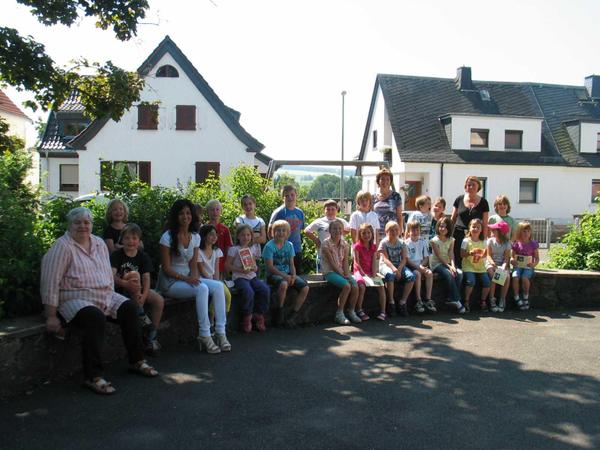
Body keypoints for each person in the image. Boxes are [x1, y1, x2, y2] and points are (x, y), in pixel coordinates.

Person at [41, 207, 158, 396]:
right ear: (69, 225)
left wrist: (114, 294)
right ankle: (93, 376)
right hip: (75, 298)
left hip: (104, 294)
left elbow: (106, 272)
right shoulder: (62, 247)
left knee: (129, 308)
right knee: (94, 317)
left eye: (86, 222)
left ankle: (137, 361)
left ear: (92, 224)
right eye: (77, 222)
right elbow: (50, 281)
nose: (83, 226)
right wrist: (51, 315)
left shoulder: (98, 243)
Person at [158, 199, 229, 354]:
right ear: (175, 216)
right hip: (170, 282)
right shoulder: (167, 237)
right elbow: (166, 268)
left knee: (218, 286)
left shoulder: (195, 237)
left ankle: (220, 332)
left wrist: (194, 278)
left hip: (187, 278)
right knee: (202, 289)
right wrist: (189, 280)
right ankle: (204, 334)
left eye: (188, 213)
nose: (185, 216)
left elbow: (193, 265)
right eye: (181, 213)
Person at [110, 223, 164, 355]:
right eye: (127, 238)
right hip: (120, 290)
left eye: (134, 238)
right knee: (134, 275)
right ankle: (142, 317)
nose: (131, 241)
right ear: (122, 240)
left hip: (138, 292)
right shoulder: (116, 255)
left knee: (159, 300)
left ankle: (151, 338)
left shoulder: (143, 256)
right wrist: (125, 283)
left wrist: (144, 296)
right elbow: (111, 276)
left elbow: (146, 279)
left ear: (139, 241)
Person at [263, 220, 309, 328]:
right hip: (273, 275)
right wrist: (285, 276)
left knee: (305, 288)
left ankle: (294, 314)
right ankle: (280, 311)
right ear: (273, 232)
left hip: (287, 273)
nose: (281, 233)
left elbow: (291, 264)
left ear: (288, 233)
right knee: (284, 284)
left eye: (284, 230)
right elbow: (270, 267)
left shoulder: (289, 245)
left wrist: (293, 275)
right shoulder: (269, 246)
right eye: (278, 230)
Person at [225, 224, 271, 332]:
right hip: (239, 277)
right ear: (238, 236)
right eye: (243, 235)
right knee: (248, 291)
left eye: (248, 235)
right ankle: (247, 316)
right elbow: (227, 265)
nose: (245, 237)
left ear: (251, 236)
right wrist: (240, 270)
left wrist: (254, 267)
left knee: (265, 289)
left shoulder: (252, 248)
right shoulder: (233, 249)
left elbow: (254, 264)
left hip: (252, 277)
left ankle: (259, 314)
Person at [321, 219, 360, 325]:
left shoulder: (345, 244)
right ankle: (339, 313)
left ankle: (351, 311)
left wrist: (346, 274)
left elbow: (345, 261)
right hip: (329, 272)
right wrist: (342, 275)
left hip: (341, 272)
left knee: (355, 286)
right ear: (330, 230)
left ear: (342, 230)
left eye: (339, 228)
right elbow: (332, 263)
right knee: (346, 286)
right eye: (334, 228)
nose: (337, 231)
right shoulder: (325, 244)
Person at [198, 224, 232, 332]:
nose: (214, 237)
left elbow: (216, 269)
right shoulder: (198, 251)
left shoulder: (217, 251)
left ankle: (221, 319)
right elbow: (201, 270)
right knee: (215, 290)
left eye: (215, 235)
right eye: (211, 234)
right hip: (202, 279)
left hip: (213, 279)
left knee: (227, 295)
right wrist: (213, 282)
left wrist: (217, 281)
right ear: (204, 236)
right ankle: (211, 320)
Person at [378, 221, 415, 317]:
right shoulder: (383, 243)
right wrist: (394, 269)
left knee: (411, 277)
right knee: (390, 276)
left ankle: (403, 302)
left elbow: (404, 259)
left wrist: (399, 269)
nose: (394, 232)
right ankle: (391, 302)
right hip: (386, 265)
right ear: (386, 231)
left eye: (396, 230)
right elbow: (385, 259)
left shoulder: (402, 243)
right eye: (391, 230)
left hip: (399, 265)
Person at [451, 176, 490, 267]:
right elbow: (453, 219)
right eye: (469, 185)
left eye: (473, 185)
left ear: (478, 187)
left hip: (475, 237)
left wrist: (484, 240)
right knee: (458, 261)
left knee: (472, 261)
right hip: (458, 235)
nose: (471, 187)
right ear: (465, 187)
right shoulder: (459, 199)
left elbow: (485, 223)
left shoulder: (484, 202)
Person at [430, 217, 465, 313]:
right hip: (437, 264)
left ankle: (451, 298)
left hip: (448, 263)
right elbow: (439, 256)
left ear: (449, 228)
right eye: (441, 226)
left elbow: (451, 253)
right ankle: (457, 300)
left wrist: (453, 265)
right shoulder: (434, 241)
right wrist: (449, 267)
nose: (442, 229)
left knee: (459, 273)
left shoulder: (451, 240)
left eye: (445, 227)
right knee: (448, 273)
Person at [352, 223, 386, 321]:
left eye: (368, 233)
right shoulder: (357, 246)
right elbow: (356, 262)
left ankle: (383, 311)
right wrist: (363, 273)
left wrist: (374, 274)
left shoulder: (374, 246)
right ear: (360, 234)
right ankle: (359, 310)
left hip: (370, 271)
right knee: (362, 286)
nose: (366, 235)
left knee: (381, 285)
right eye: (364, 233)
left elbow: (374, 262)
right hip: (359, 271)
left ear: (372, 234)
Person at [268, 185, 305, 273]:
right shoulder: (278, 212)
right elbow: (270, 231)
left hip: (296, 249)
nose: (290, 198)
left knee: (296, 275)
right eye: (287, 196)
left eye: (292, 195)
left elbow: (300, 230)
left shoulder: (300, 212)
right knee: (283, 276)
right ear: (282, 198)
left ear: (296, 195)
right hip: (282, 251)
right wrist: (276, 247)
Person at [304, 199, 350, 271]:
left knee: (339, 273)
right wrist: (316, 240)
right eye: (328, 209)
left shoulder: (341, 221)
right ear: (324, 210)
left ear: (336, 210)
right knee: (323, 274)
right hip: (323, 254)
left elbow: (348, 229)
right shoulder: (319, 221)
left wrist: (339, 234)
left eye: (333, 209)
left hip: (338, 255)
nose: (330, 212)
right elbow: (306, 231)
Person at [405, 220, 436, 314]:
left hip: (421, 265)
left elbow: (426, 258)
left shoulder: (423, 242)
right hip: (412, 267)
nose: (415, 232)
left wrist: (421, 266)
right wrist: (418, 267)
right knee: (417, 274)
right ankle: (418, 301)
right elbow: (407, 260)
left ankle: (428, 300)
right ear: (409, 231)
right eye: (413, 230)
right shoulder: (406, 243)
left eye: (417, 230)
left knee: (429, 273)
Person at [460, 219, 490, 312]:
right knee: (471, 281)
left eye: (478, 227)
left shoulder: (483, 241)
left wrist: (482, 254)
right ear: (469, 228)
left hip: (480, 266)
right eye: (473, 227)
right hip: (468, 266)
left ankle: (482, 301)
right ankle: (466, 301)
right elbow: (461, 254)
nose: (475, 229)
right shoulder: (466, 241)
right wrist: (469, 253)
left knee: (487, 282)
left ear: (481, 229)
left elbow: (486, 255)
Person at [511, 221, 540, 311]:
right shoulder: (516, 243)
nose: (526, 233)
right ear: (519, 232)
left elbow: (537, 258)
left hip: (528, 266)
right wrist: (512, 260)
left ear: (530, 232)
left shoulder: (533, 244)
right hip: (518, 266)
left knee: (524, 278)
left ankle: (525, 297)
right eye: (524, 231)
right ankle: (516, 296)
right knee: (515, 276)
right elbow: (512, 256)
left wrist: (533, 264)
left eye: (528, 231)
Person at [486, 221, 512, 312]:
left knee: (507, 277)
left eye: (495, 229)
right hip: (491, 263)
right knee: (494, 276)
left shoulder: (507, 243)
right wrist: (493, 264)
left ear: (500, 232)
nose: (492, 230)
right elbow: (488, 255)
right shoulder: (490, 241)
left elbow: (506, 258)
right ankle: (492, 299)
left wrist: (503, 267)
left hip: (501, 264)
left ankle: (502, 299)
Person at [373, 168, 403, 240]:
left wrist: (399, 233)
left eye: (387, 179)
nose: (385, 181)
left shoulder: (396, 196)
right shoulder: (372, 197)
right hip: (377, 234)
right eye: (382, 179)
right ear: (378, 181)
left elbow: (399, 217)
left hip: (392, 234)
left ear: (390, 182)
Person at [205, 199, 233, 276]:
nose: (215, 212)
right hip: (206, 262)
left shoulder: (225, 229)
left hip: (221, 262)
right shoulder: (204, 228)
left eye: (217, 209)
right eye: (212, 210)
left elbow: (228, 247)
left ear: (221, 211)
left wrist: (228, 263)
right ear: (208, 212)